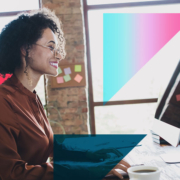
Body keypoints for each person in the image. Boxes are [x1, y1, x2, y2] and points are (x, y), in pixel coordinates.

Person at [0, 8, 130, 180]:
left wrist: (92, 155)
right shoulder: (4, 102)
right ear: (26, 49)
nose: (59, 55)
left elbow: (50, 145)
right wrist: (80, 168)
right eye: (51, 47)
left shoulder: (31, 97)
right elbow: (10, 174)